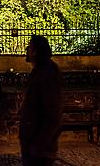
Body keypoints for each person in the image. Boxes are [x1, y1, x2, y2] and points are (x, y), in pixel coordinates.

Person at [19, 35, 62, 166]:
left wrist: (39, 145)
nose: (26, 49)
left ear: (36, 51)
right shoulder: (40, 73)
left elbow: (53, 114)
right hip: (34, 145)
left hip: (39, 150)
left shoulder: (46, 75)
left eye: (29, 47)